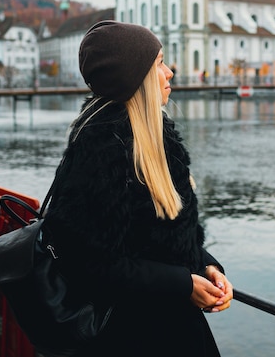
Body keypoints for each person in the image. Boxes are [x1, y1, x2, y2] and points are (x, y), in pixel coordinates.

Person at [42, 20, 233, 357]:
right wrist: (183, 283)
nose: (169, 72)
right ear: (136, 77)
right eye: (159, 63)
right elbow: (92, 263)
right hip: (132, 337)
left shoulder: (155, 138)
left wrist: (207, 267)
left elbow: (163, 240)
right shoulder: (103, 150)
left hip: (170, 325)